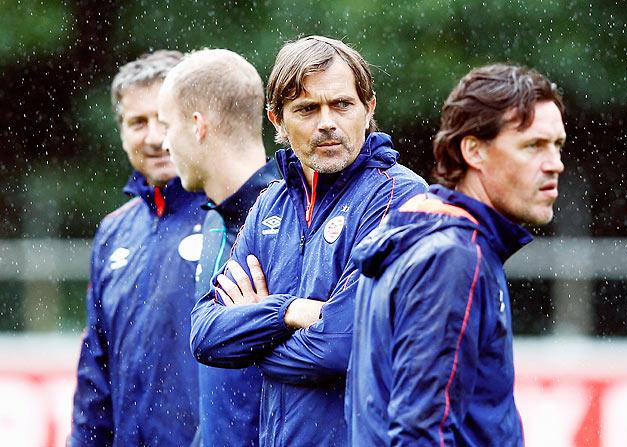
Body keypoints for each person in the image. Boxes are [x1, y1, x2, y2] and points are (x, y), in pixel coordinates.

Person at [190, 36, 427, 446]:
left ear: (369, 109)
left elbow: (342, 343)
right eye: (306, 109)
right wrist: (289, 312)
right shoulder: (269, 205)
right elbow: (206, 336)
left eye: (342, 104)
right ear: (276, 120)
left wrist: (254, 337)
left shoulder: (400, 196)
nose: (327, 122)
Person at [347, 63, 566, 446]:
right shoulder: (452, 258)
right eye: (533, 145)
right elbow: (421, 433)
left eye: (557, 145)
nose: (555, 164)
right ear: (474, 150)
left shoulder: (431, 238)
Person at [69, 50, 205, 446]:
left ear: (194, 121)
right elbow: (96, 370)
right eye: (137, 122)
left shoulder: (241, 215)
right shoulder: (114, 231)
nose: (154, 137)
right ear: (121, 131)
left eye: (164, 120)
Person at [158, 48, 280, 447]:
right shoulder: (213, 221)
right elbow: (220, 395)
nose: (163, 143)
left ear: (197, 126)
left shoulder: (295, 222)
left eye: (167, 126)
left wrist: (266, 321)